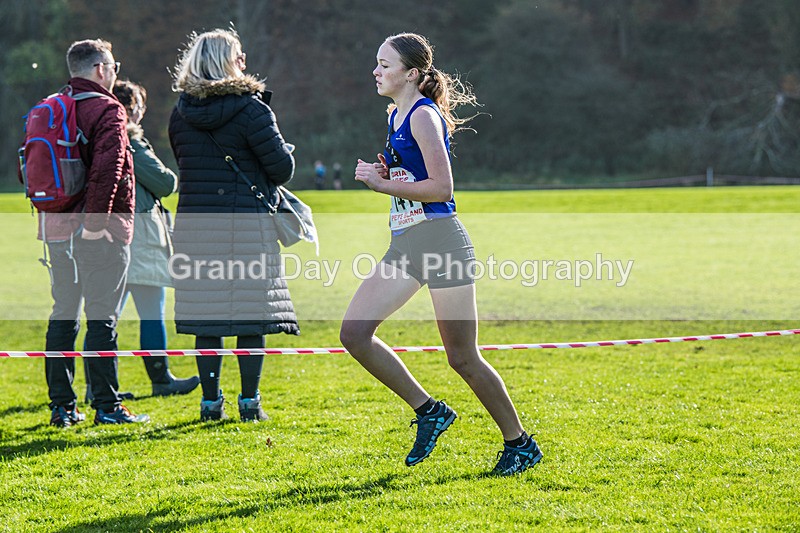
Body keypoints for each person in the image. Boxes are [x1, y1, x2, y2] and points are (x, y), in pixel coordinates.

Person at [339, 33, 542, 475]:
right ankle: (429, 410)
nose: (375, 71)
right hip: (407, 243)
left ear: (411, 73)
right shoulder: (394, 114)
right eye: (376, 63)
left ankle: (520, 444)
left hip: (442, 241)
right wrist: (388, 172)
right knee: (354, 333)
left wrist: (382, 184)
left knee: (462, 357)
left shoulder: (424, 117)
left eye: (385, 64)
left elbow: (442, 189)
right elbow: (414, 178)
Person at [168, 29, 297, 422]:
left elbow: (186, 163)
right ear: (230, 61)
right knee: (250, 315)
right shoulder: (253, 110)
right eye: (239, 55)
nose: (244, 61)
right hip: (246, 225)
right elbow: (282, 169)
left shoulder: (180, 112)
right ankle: (249, 402)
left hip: (196, 224)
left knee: (206, 316)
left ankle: (210, 403)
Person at [44, 39, 149, 426]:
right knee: (102, 318)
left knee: (63, 314)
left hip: (55, 229)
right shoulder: (108, 109)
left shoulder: (52, 107)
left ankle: (62, 407)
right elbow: (108, 173)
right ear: (101, 69)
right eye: (114, 66)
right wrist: (94, 227)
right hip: (99, 233)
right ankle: (107, 406)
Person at [88, 79, 198, 397]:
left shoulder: (100, 137)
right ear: (132, 109)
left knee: (105, 316)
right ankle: (160, 379)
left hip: (112, 234)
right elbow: (165, 183)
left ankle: (97, 387)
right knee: (150, 312)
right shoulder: (131, 141)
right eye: (139, 107)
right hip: (140, 237)